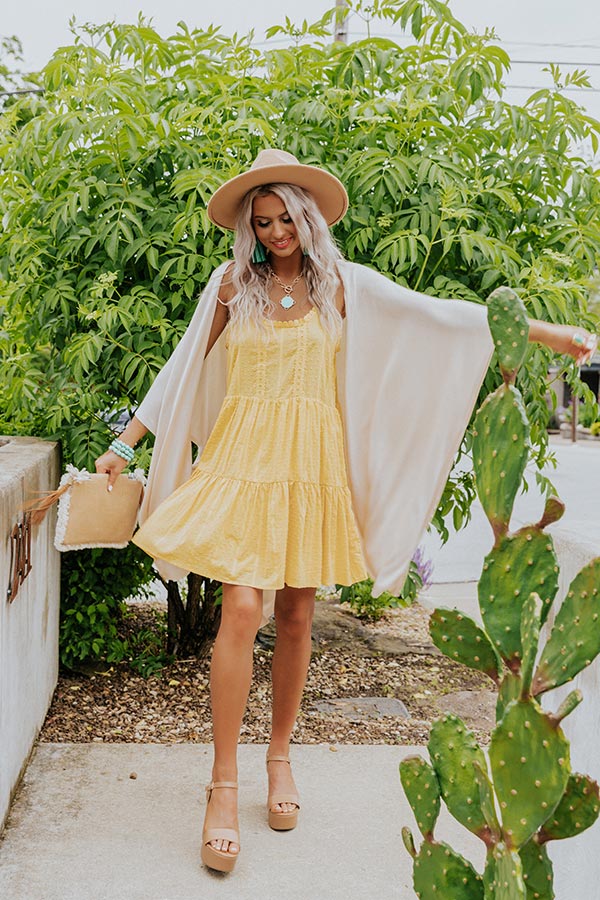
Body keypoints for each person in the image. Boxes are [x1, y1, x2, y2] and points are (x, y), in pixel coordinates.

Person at [94, 149, 597, 874]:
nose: (275, 233)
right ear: (248, 229)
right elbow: (180, 369)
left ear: (307, 218)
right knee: (243, 608)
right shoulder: (232, 286)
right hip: (243, 464)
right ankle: (223, 785)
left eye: (285, 219)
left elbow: (440, 319)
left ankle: (280, 758)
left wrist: (547, 334)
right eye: (262, 222)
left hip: (312, 470)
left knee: (298, 615)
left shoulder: (342, 286)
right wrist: (125, 445)